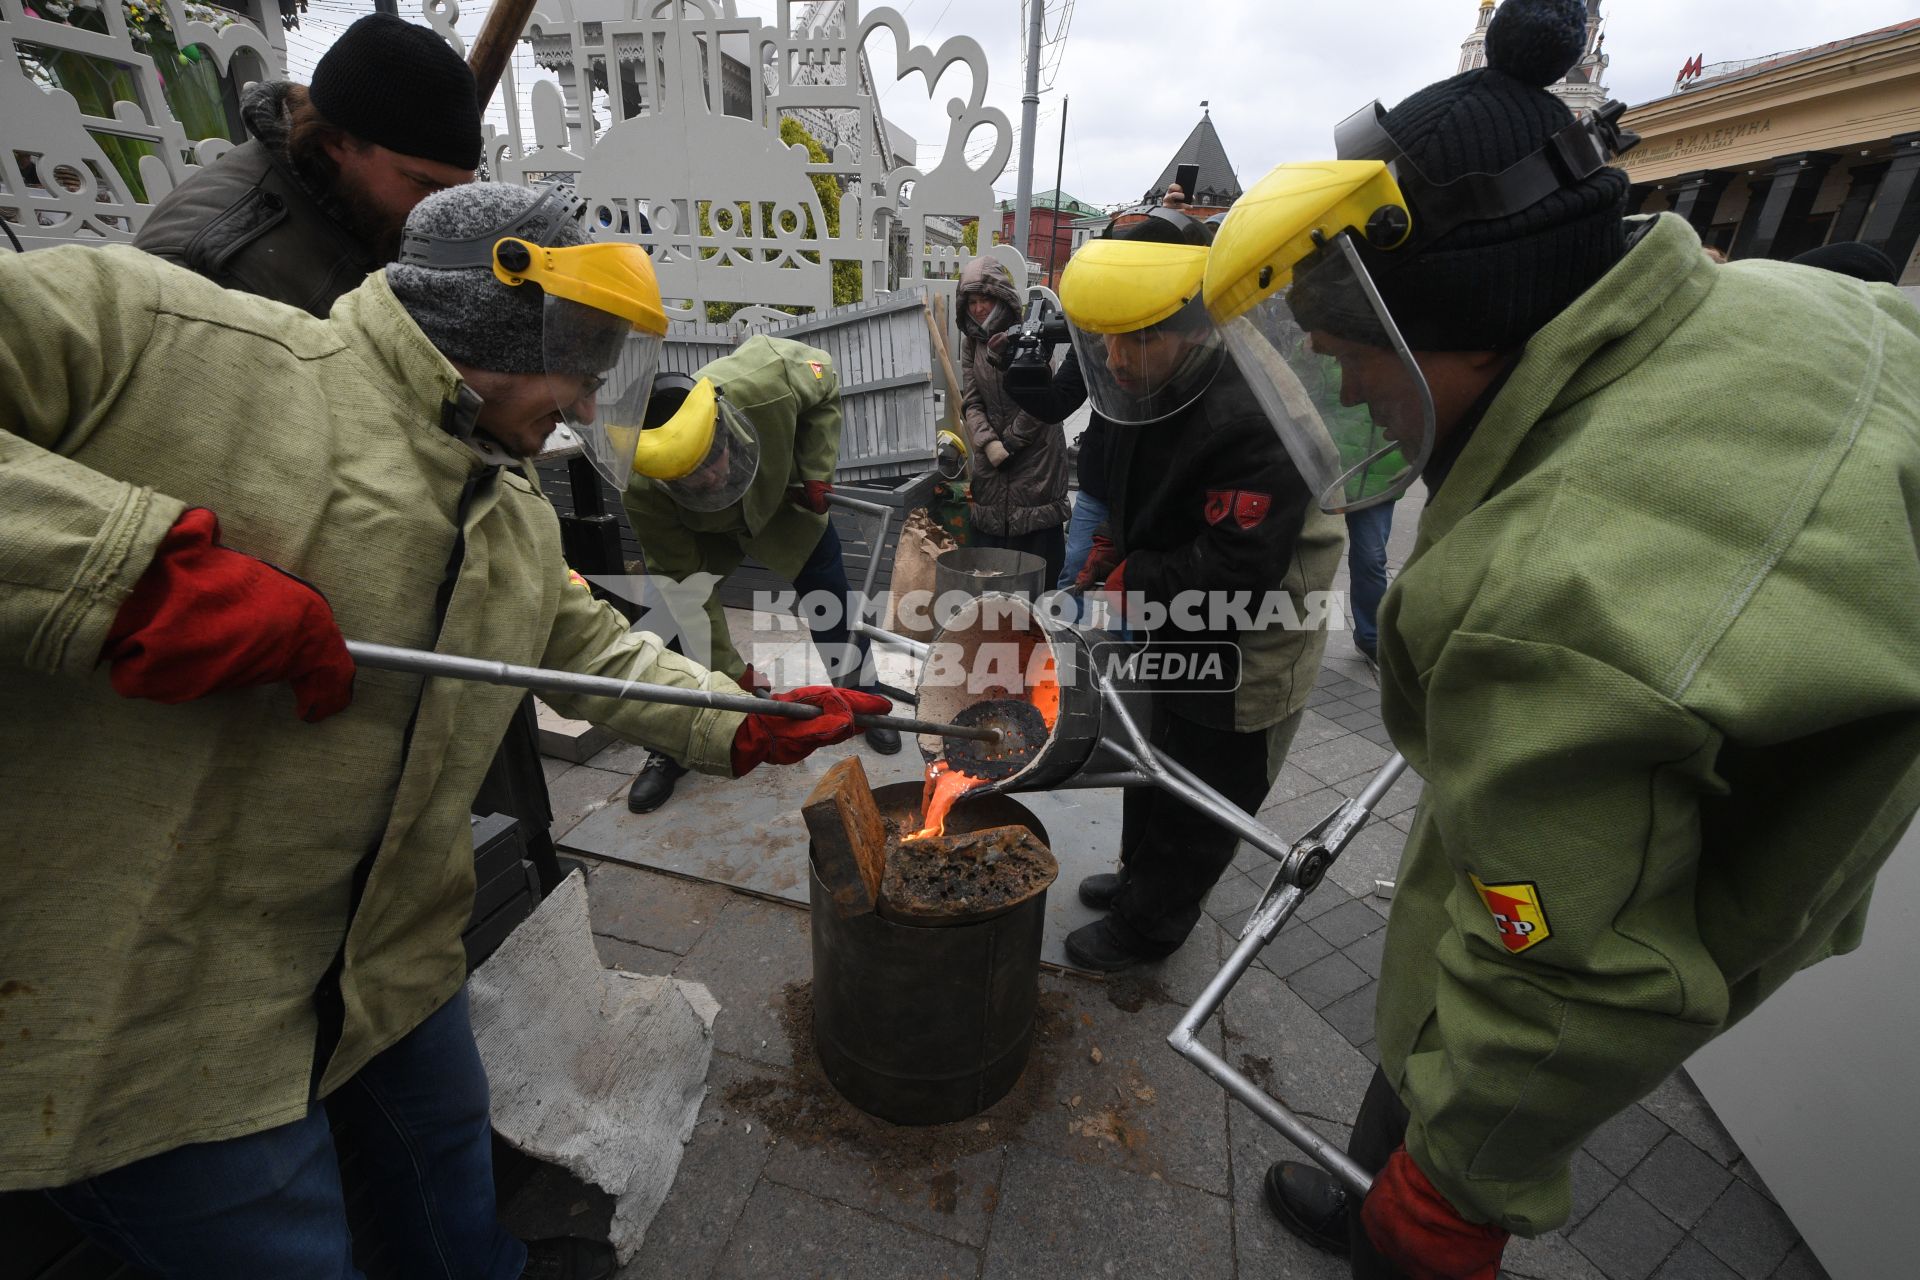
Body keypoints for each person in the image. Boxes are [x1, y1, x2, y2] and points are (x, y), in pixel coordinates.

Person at [0, 181, 887, 1280]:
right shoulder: (156, 334)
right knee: (290, 1254)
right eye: (584, 358)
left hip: (392, 960)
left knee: (447, 1185)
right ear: (506, 317)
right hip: (163, 1009)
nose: (580, 401)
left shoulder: (510, 511)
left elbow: (598, 649)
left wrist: (746, 724)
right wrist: (123, 569)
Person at [1201, 0, 1920, 1273]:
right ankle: (1380, 1162)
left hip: (1607, 891)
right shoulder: (1771, 304)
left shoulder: (1549, 603)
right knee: (1462, 946)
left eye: (1359, 359)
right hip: (1613, 791)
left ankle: (1400, 1205)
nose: (1356, 393)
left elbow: (1565, 970)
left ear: (1476, 329)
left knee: (1492, 978)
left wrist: (1462, 1186)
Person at [1053, 206, 1345, 972]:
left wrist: (1128, 580)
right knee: (1150, 745)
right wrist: (1111, 543)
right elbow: (1118, 471)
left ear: (1197, 327)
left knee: (1205, 776)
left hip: (1255, 622)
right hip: (1166, 597)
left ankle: (1152, 927)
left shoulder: (1253, 411)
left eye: (1141, 336)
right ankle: (1135, 880)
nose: (1116, 359)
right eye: (1107, 336)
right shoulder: (1136, 375)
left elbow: (1239, 564)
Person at [620, 335, 902, 815]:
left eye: (710, 459)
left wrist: (814, 468)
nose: (709, 480)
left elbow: (826, 380)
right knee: (672, 619)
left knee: (831, 600)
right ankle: (675, 743)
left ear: (722, 423)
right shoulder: (640, 484)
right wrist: (735, 678)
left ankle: (861, 697)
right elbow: (685, 590)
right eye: (688, 477)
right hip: (701, 532)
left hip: (781, 503)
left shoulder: (768, 377)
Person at [135, 12, 480, 305]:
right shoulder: (209, 271)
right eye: (423, 182)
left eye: (461, 188)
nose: (447, 209)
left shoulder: (357, 204)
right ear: (337, 144)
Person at [956, 253, 1072, 584]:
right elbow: (971, 398)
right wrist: (988, 441)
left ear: (1001, 297)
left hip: (1036, 459)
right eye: (972, 301)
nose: (978, 308)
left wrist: (1010, 442)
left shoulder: (1028, 332)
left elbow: (1040, 400)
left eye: (986, 299)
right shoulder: (971, 342)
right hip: (992, 462)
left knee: (1033, 564)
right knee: (991, 569)